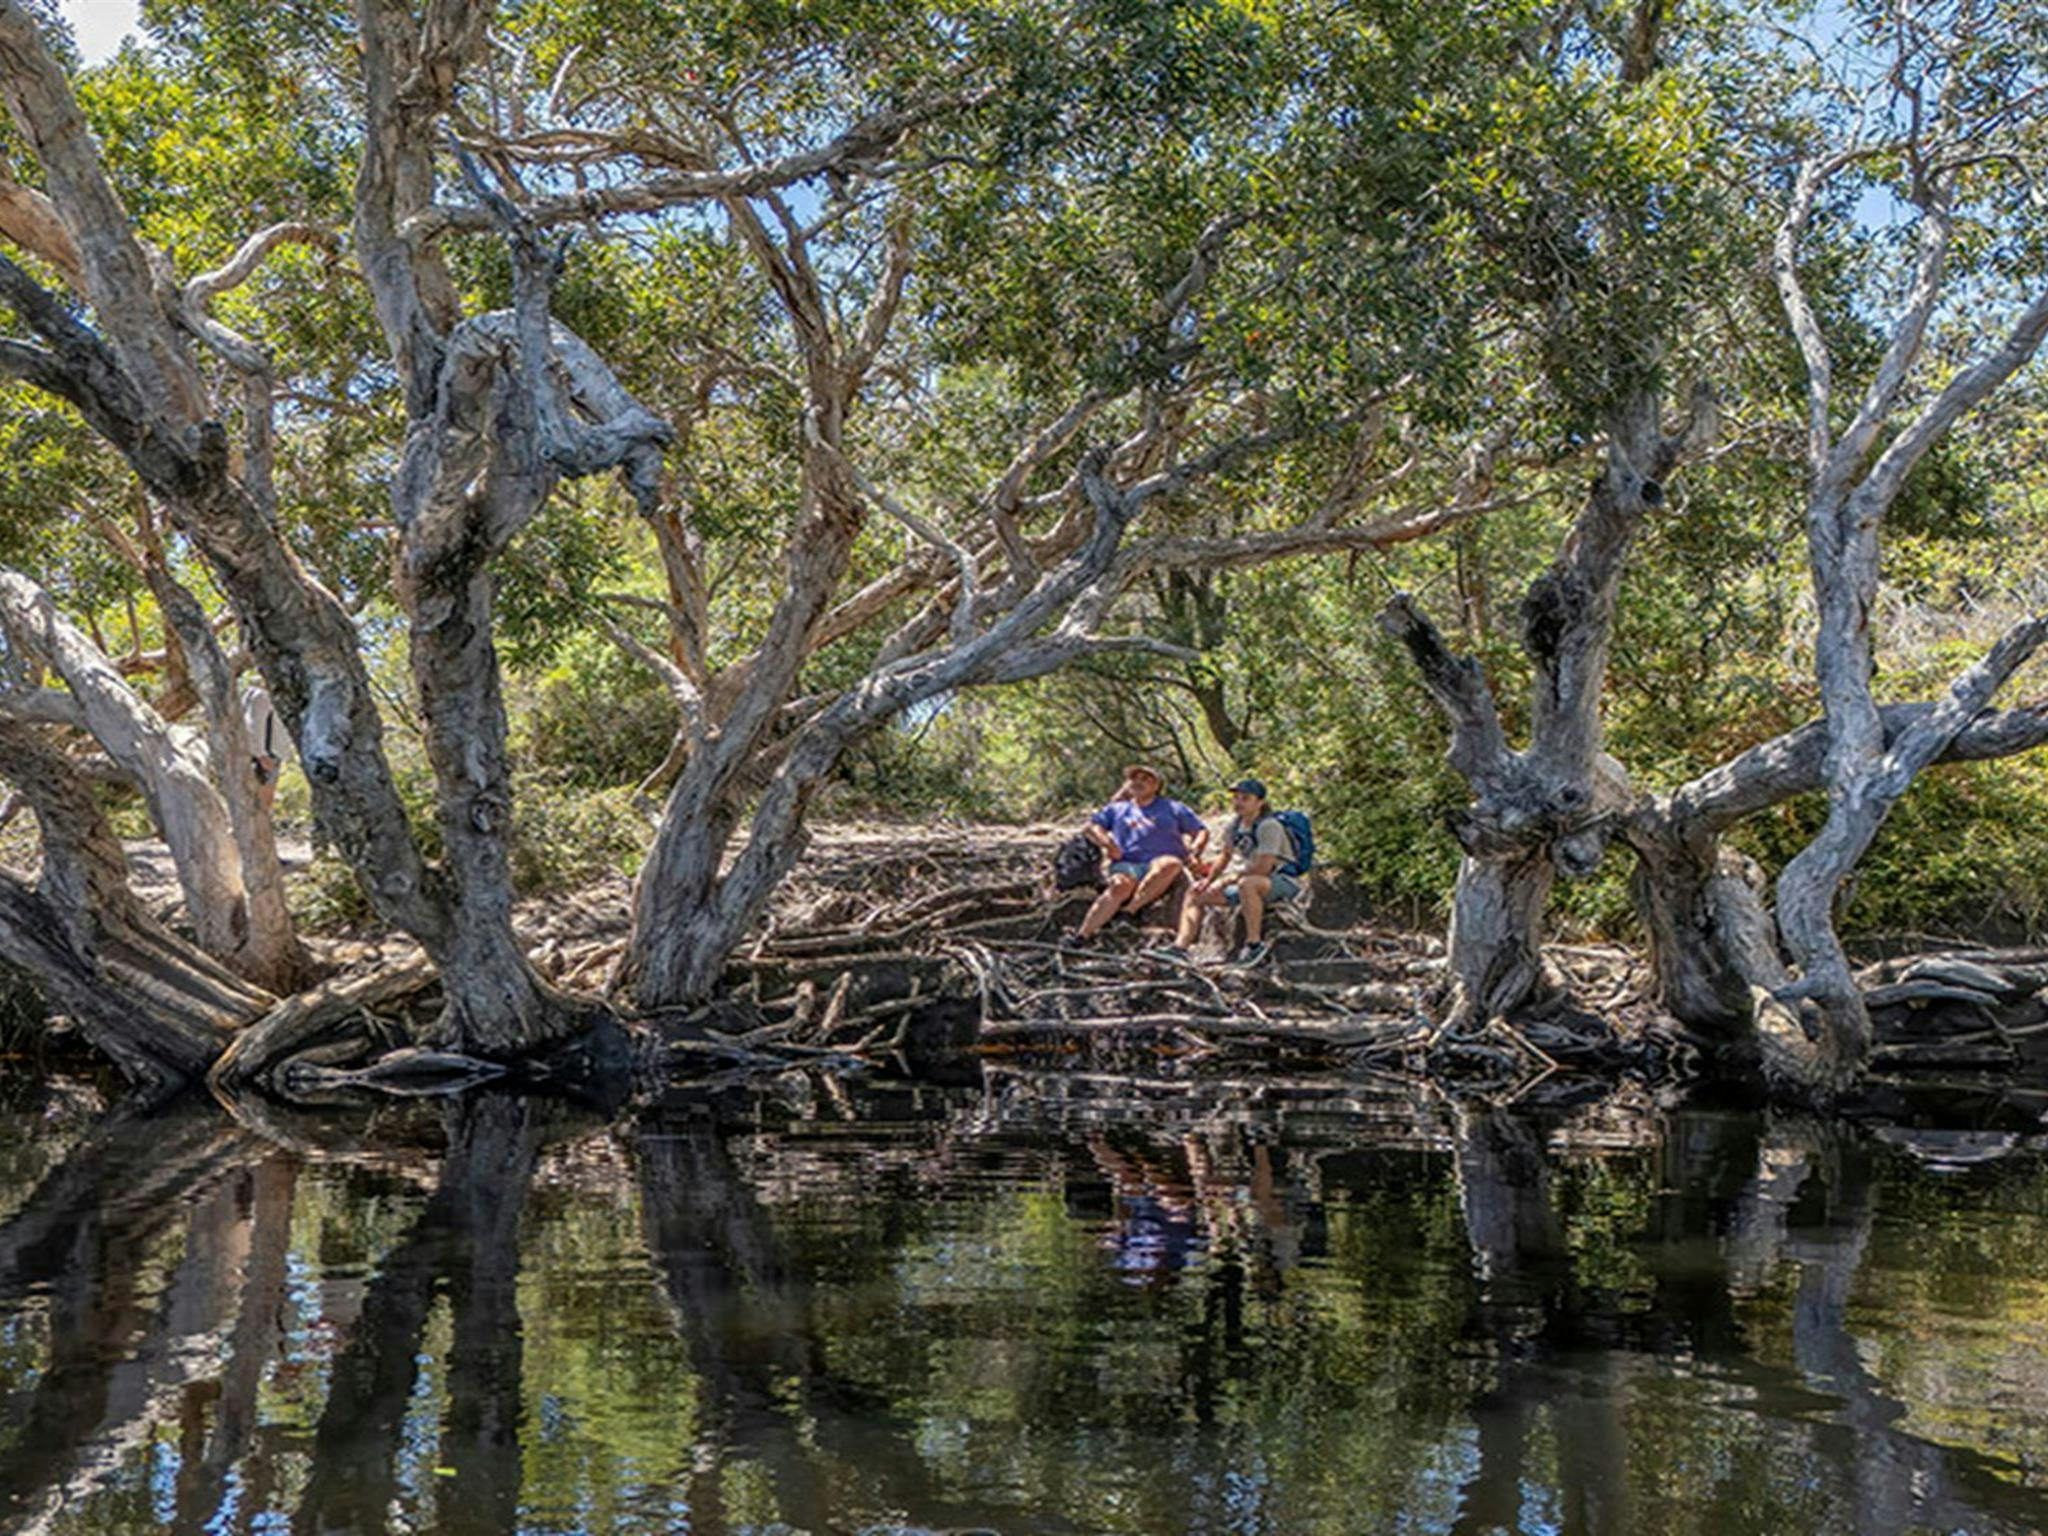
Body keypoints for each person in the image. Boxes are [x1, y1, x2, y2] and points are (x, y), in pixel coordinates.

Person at [1154, 777, 1301, 966]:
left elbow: (1264, 867)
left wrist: (1227, 880)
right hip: (1253, 883)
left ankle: (1254, 946)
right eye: (1236, 798)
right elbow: (1224, 857)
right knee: (1195, 893)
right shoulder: (1235, 826)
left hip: (1282, 881)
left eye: (1245, 798)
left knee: (1247, 884)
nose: (1238, 802)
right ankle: (1180, 948)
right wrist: (1208, 882)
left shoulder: (1269, 826)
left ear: (1260, 802)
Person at [1069, 765, 1207, 941]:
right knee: (1119, 886)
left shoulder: (1173, 808)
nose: (1139, 782)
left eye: (1146, 779)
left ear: (1157, 785)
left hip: (1162, 860)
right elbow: (1091, 827)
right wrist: (1108, 844)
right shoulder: (1117, 809)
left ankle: (1129, 911)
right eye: (1135, 778)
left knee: (1169, 864)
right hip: (1127, 863)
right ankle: (1082, 935)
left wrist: (1196, 851)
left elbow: (1201, 831)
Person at [240, 677, 289, 812]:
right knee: (260, 805)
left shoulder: (252, 695)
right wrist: (261, 755)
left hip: (268, 753)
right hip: (266, 755)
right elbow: (253, 726)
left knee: (262, 803)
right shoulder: (261, 697)